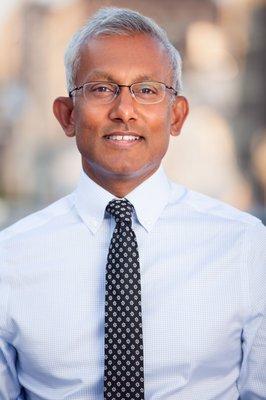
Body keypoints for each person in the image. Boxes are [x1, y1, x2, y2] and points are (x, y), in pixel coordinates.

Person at [0, 7, 265, 400]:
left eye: (146, 90)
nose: (124, 111)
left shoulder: (246, 247)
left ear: (176, 116)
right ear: (67, 114)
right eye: (102, 89)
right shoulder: (10, 258)